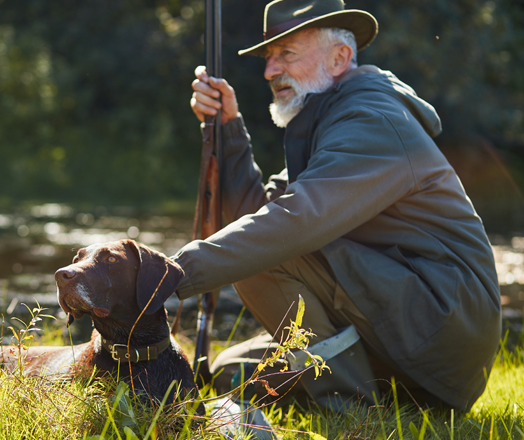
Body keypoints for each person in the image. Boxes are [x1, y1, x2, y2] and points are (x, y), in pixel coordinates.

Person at [171, 0, 501, 412]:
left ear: (340, 57)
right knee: (229, 369)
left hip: (442, 337)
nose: (269, 71)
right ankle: (369, 390)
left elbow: (290, 225)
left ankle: (350, 408)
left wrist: (169, 275)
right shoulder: (329, 117)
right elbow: (251, 217)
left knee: (266, 247)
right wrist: (228, 129)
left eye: (286, 53)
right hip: (403, 322)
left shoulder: (371, 121)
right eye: (269, 57)